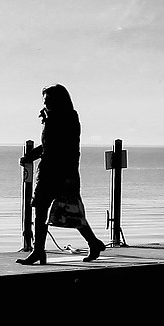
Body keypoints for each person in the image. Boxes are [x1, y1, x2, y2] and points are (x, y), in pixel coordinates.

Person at [18, 83, 106, 264]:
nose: (46, 103)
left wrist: (69, 175)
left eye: (49, 100)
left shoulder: (69, 118)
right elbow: (48, 145)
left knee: (71, 211)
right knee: (40, 210)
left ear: (60, 100)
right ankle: (38, 251)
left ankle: (93, 242)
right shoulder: (51, 118)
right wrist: (30, 156)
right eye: (44, 100)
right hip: (48, 170)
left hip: (63, 172)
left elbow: (66, 148)